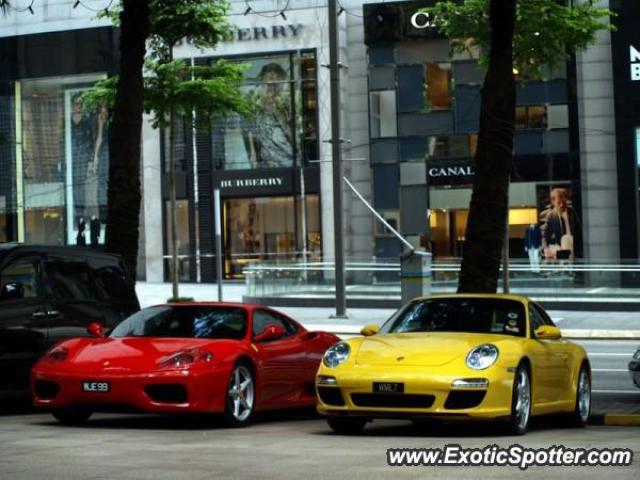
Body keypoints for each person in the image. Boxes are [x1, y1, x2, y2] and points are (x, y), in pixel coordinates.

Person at [541, 188, 576, 261]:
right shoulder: (551, 216)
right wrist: (546, 248)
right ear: (553, 202)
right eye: (559, 203)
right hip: (560, 250)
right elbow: (544, 235)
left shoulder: (573, 213)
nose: (562, 205)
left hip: (574, 249)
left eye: (564, 202)